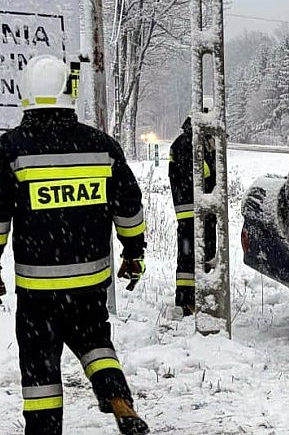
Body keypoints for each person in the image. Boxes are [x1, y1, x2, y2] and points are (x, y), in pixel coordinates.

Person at [0, 55, 150, 434]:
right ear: (69, 94)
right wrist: (133, 253)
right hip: (89, 283)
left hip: (38, 290)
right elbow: (129, 207)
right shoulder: (100, 146)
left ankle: (45, 428)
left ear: (28, 95)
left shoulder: (12, 149)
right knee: (96, 344)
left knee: (40, 367)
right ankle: (120, 402)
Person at [168, 112, 215, 315]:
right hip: (194, 208)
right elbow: (201, 175)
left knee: (190, 254)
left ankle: (190, 296)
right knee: (194, 254)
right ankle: (188, 300)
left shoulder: (182, 142)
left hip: (189, 208)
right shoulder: (191, 145)